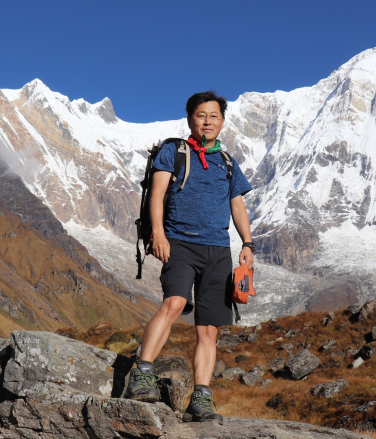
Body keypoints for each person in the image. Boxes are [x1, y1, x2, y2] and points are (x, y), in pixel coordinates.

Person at [126, 91, 254, 423]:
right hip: (179, 243)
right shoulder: (173, 151)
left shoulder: (227, 163)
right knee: (174, 303)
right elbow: (157, 193)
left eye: (213, 116)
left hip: (217, 250)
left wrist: (248, 243)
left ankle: (201, 399)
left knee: (209, 329)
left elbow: (236, 205)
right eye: (201, 115)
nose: (207, 121)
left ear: (222, 121)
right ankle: (141, 375)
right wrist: (158, 233)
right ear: (189, 119)